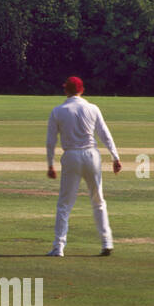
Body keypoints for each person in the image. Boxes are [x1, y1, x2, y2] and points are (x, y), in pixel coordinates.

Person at [46, 75, 121, 257]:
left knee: (64, 204)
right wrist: (115, 157)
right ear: (82, 90)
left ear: (66, 90)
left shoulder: (58, 111)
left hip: (71, 155)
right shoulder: (92, 108)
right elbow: (104, 134)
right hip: (91, 155)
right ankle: (106, 242)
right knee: (98, 201)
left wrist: (50, 164)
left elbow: (50, 142)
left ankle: (59, 247)